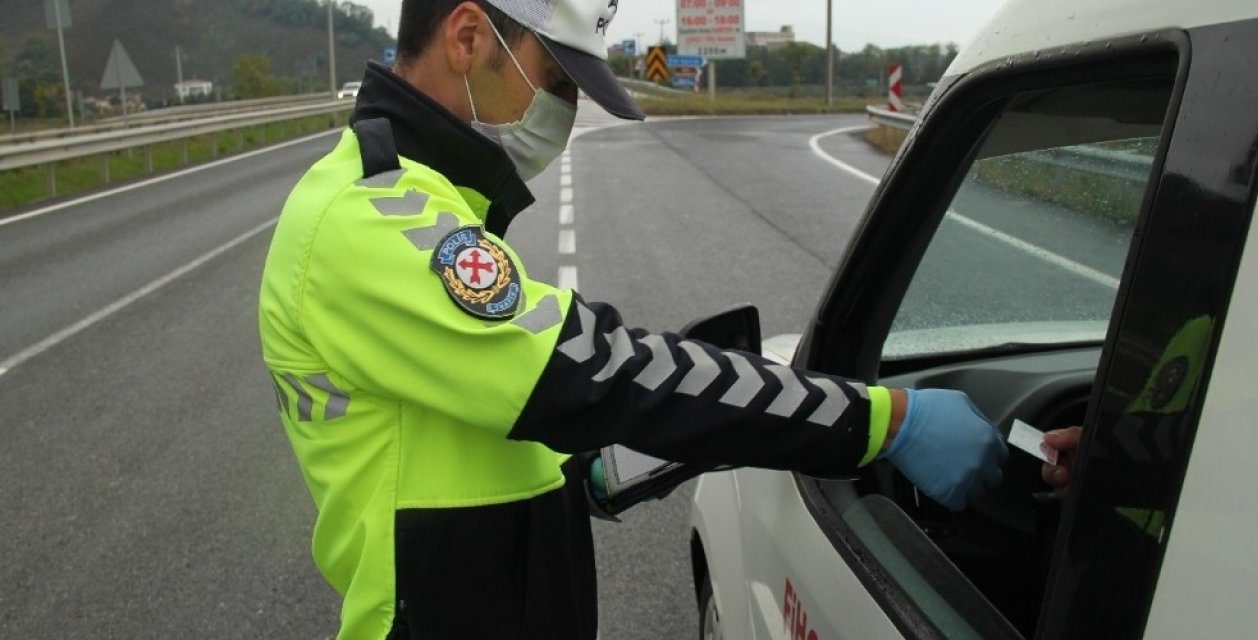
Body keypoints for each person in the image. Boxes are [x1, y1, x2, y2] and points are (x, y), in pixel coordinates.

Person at [257, 1, 1008, 638]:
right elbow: (592, 373)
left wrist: (574, 472)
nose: (565, 112)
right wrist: (884, 421)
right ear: (466, 38)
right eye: (555, 82)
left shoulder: (438, 204)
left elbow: (460, 418)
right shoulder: (371, 215)